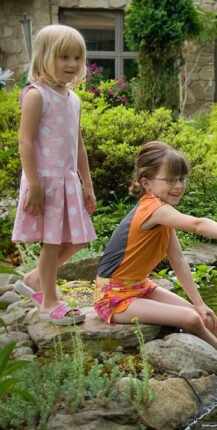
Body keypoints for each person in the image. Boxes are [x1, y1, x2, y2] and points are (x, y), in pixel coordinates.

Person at [93, 141, 217, 362]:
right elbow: (197, 224)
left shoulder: (163, 213)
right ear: (147, 183)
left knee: (203, 315)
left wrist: (200, 303)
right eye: (170, 179)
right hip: (114, 298)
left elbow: (178, 259)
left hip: (140, 287)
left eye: (181, 179)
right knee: (190, 318)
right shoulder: (153, 210)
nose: (178, 186)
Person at [12, 25, 97, 324]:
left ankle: (36, 278)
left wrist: (87, 185)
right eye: (64, 57)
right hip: (45, 181)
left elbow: (78, 144)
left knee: (78, 240)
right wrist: (33, 184)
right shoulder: (37, 95)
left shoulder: (73, 99)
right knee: (51, 242)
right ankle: (48, 301)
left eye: (76, 57)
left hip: (68, 181)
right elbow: (25, 141)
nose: (72, 64)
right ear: (46, 57)